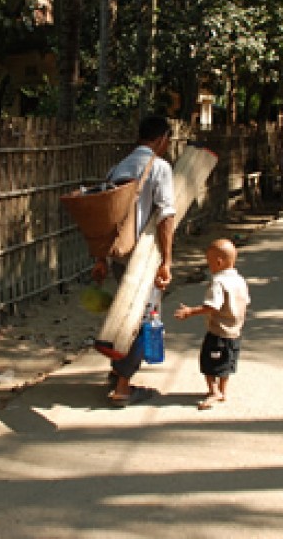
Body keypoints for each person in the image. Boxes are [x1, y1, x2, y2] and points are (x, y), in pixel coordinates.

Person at [92, 114, 176, 407]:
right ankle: (123, 387)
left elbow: (105, 219)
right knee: (142, 318)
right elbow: (166, 217)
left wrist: (101, 259)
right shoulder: (160, 168)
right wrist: (166, 260)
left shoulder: (117, 168)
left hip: (118, 256)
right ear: (162, 138)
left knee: (125, 312)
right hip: (144, 258)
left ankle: (117, 375)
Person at [174, 238, 250, 410]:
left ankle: (214, 391)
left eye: (209, 263)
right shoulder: (240, 280)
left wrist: (190, 311)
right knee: (227, 363)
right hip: (235, 333)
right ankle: (223, 390)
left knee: (208, 364)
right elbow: (246, 302)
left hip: (218, 333)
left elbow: (212, 306)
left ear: (218, 262)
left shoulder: (218, 282)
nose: (209, 267)